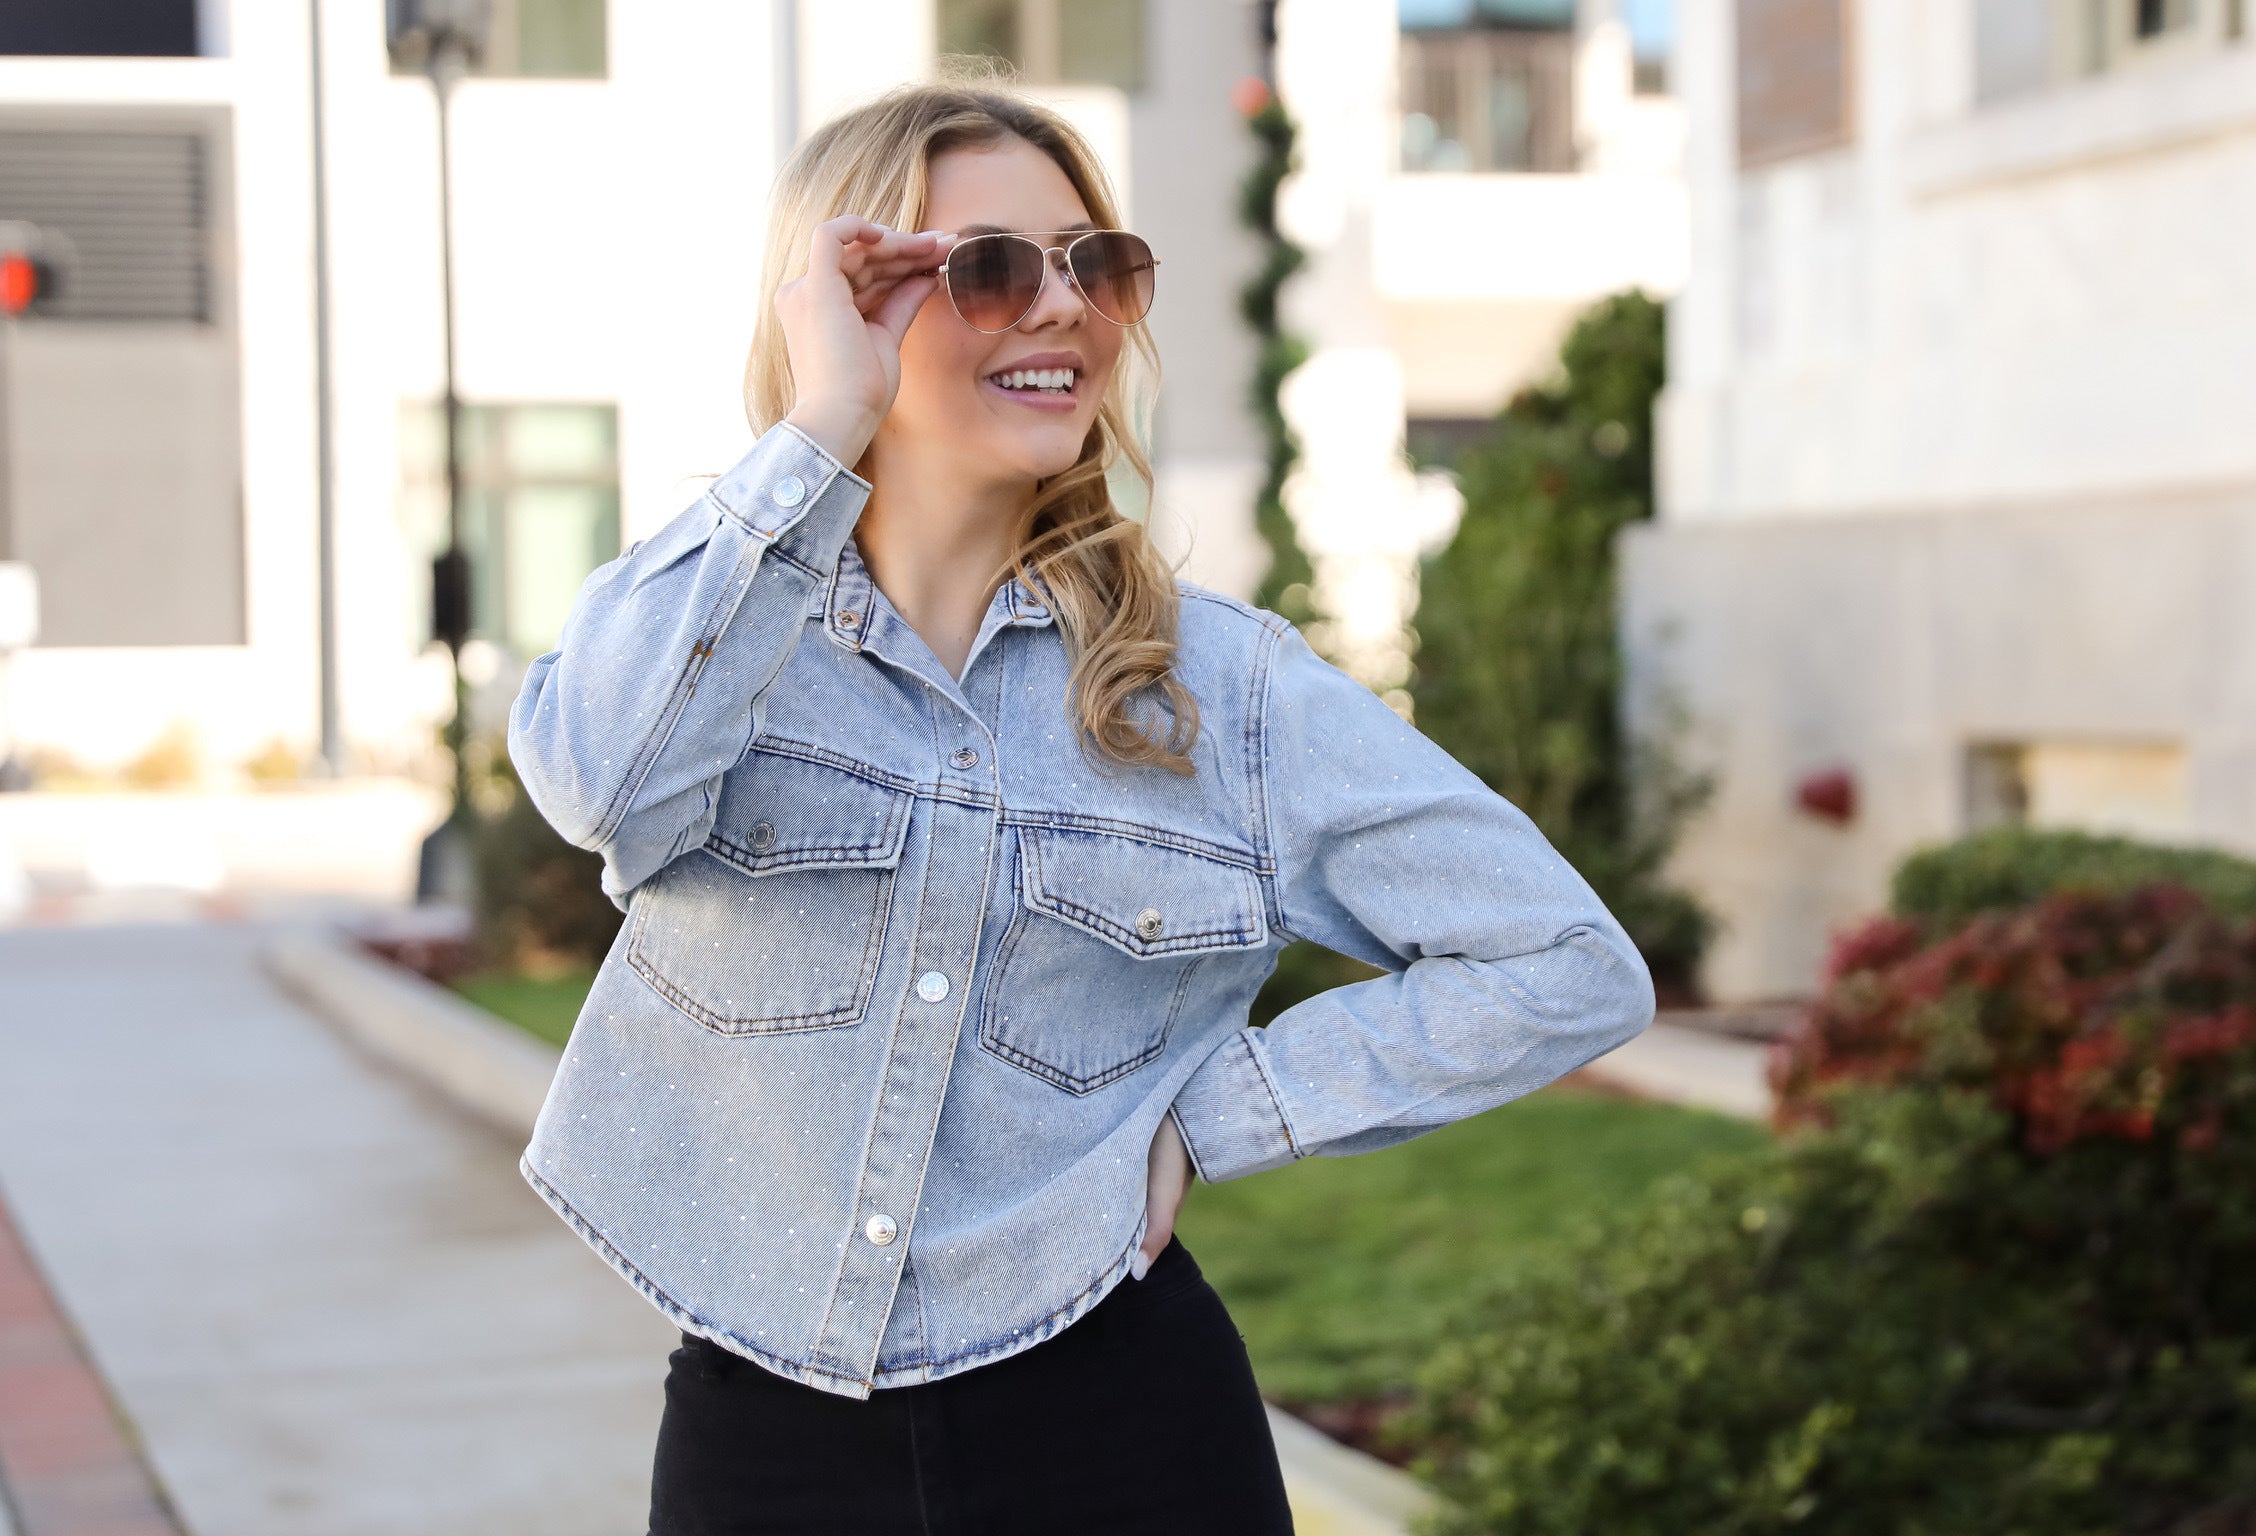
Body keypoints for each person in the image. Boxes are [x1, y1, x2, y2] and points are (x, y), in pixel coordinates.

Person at [507, 80, 1654, 1536]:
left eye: (1095, 265)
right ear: (852, 304)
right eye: (987, 269)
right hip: (766, 1437)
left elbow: (1565, 964)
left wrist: (1218, 1115)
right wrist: (820, 425)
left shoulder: (1223, 694)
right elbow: (590, 781)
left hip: (1121, 1428)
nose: (1060, 309)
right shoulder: (720, 633)